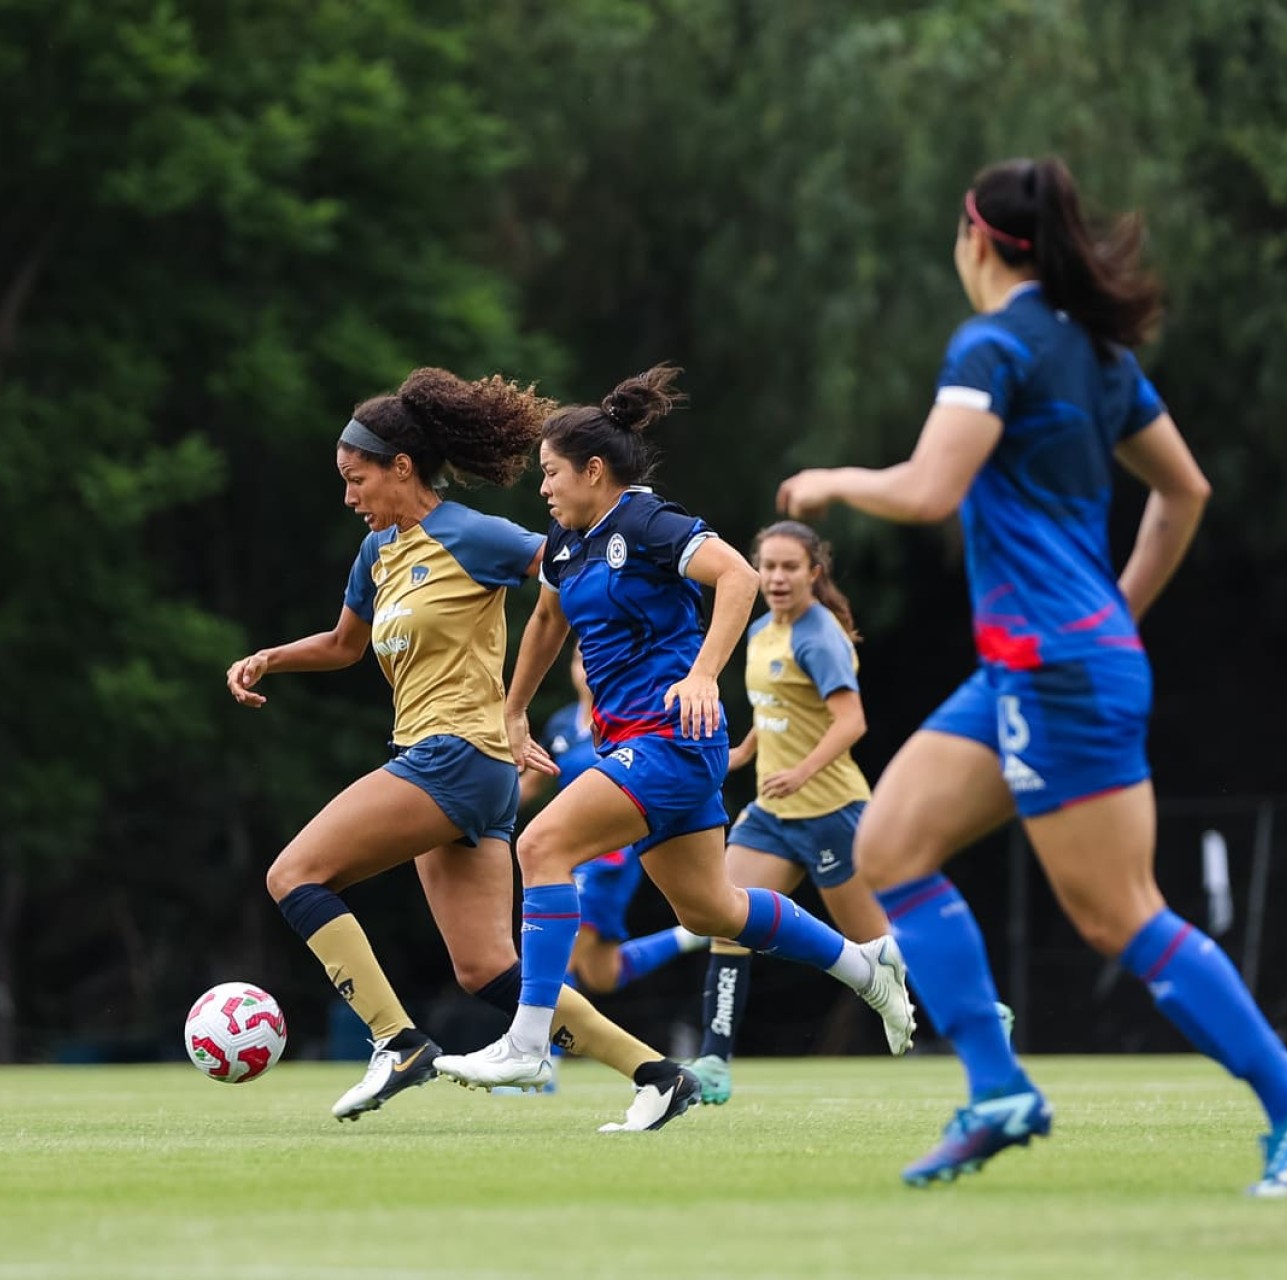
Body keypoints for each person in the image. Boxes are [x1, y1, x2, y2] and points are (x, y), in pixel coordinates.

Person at [777, 157, 1287, 1196]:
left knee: (1118, 912)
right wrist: (1118, 611)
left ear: (978, 239)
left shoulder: (994, 343)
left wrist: (833, 480)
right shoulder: (1093, 349)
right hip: (1041, 662)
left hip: (1055, 669)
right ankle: (997, 1089)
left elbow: (930, 489)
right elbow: (1184, 491)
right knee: (890, 844)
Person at [433, 365, 917, 1132]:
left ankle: (528, 1043)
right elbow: (548, 622)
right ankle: (866, 965)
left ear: (594, 470)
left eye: (552, 473)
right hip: (639, 745)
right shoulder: (566, 543)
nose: (543, 488)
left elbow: (737, 577)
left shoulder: (648, 522)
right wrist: (514, 710)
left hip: (673, 740)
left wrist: (701, 675)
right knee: (712, 907)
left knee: (542, 845)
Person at [225, 367, 700, 1130]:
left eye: (356, 479)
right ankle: (658, 1073)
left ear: (400, 468)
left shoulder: (472, 534)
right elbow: (345, 645)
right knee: (488, 969)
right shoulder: (376, 552)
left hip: (456, 757)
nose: (348, 496)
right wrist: (269, 659)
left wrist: (620, 665)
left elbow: (570, 571)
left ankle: (396, 1041)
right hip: (454, 766)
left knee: (294, 875)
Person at [689, 521, 1013, 1105]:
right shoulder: (760, 631)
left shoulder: (820, 637)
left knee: (878, 945)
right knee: (726, 921)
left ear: (814, 572)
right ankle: (714, 1061)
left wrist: (802, 771)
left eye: (790, 567)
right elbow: (775, 707)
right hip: (772, 814)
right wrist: (745, 751)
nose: (777, 578)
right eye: (769, 566)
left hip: (831, 812)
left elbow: (851, 722)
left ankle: (983, 1014)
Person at [520, 647, 708, 996]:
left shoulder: (627, 719)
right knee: (602, 974)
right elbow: (530, 785)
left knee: (557, 958)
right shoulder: (561, 723)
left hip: (609, 854)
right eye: (578, 660)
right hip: (567, 849)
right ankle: (696, 935)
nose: (585, 668)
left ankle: (539, 1033)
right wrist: (479, 808)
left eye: (592, 658)